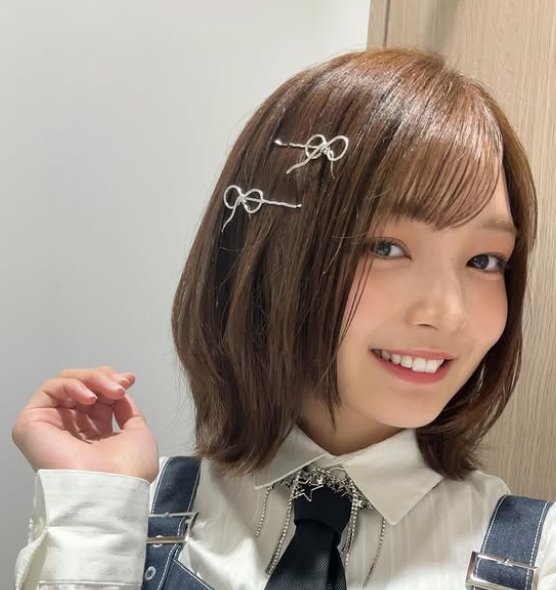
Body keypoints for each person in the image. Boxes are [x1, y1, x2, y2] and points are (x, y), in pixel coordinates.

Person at [12, 48, 556, 590]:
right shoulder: (124, 520)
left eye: (485, 261)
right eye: (385, 247)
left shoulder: (539, 557)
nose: (448, 313)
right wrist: (93, 512)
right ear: (270, 254)